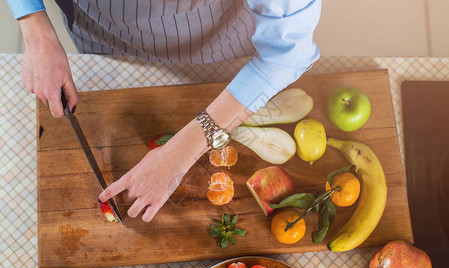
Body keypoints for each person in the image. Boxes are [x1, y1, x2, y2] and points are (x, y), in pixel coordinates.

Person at [7, 0, 321, 222]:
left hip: (219, 47)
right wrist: (34, 28)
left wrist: (178, 153)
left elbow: (286, 56)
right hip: (101, 32)